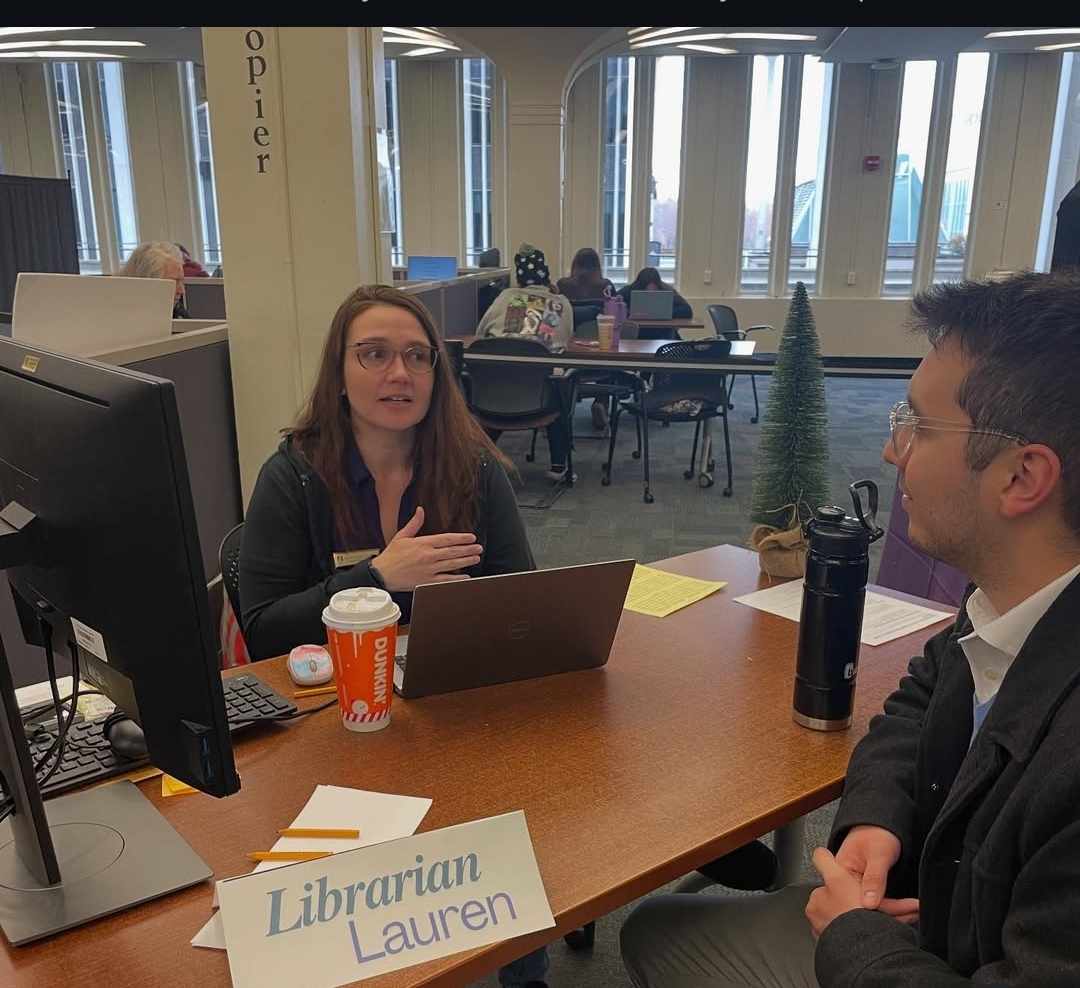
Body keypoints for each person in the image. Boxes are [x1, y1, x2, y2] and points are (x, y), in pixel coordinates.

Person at [620, 270, 1080, 987]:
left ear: (1022, 479)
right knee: (658, 926)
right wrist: (875, 820)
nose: (893, 451)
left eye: (919, 426)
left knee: (659, 934)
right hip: (930, 921)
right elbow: (914, 707)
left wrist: (856, 940)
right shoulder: (1006, 603)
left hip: (911, 954)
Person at [239, 283, 548, 988]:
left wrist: (479, 604)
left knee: (510, 830)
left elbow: (524, 602)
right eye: (373, 355)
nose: (397, 374)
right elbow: (262, 633)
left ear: (438, 376)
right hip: (334, 727)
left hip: (447, 710)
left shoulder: (472, 472)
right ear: (340, 374)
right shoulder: (294, 478)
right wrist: (378, 578)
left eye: (416, 357)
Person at [476, 242, 576, 482]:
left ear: (518, 278)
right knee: (562, 379)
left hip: (493, 399)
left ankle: (478, 459)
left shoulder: (504, 298)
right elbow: (565, 339)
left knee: (500, 379)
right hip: (541, 401)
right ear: (547, 275)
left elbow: (480, 334)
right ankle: (558, 464)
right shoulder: (561, 303)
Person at [120, 241, 189, 318]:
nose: (182, 291)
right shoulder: (119, 318)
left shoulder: (177, 312)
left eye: (181, 281)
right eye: (173, 282)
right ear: (146, 283)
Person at [618, 266, 693, 320]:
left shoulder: (666, 290)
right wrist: (628, 313)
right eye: (646, 291)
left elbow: (687, 311)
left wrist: (664, 313)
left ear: (658, 285)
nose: (650, 292)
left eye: (654, 290)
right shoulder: (628, 290)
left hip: (663, 332)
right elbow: (613, 307)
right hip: (638, 332)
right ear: (639, 286)